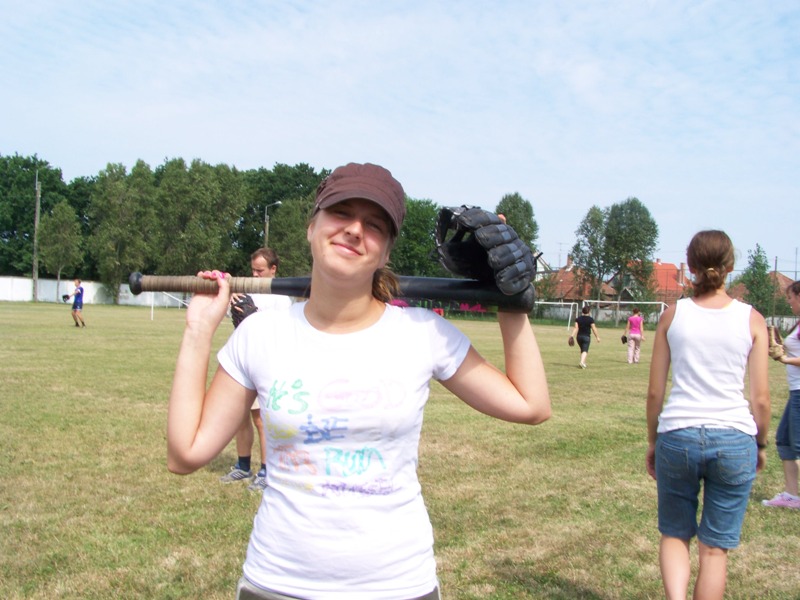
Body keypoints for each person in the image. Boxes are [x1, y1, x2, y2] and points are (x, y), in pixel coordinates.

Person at [166, 162, 551, 599]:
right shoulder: (260, 334)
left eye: (374, 225)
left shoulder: (422, 332)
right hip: (277, 584)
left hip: (398, 586)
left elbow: (531, 405)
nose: (353, 230)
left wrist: (511, 300)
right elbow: (185, 454)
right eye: (340, 213)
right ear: (311, 227)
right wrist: (198, 330)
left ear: (385, 253)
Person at [646, 230, 770, 600]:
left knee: (675, 534)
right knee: (714, 551)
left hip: (677, 435)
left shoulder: (672, 316)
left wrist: (653, 441)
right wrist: (760, 444)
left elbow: (655, 393)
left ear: (690, 266)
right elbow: (761, 398)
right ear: (730, 267)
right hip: (734, 438)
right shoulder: (752, 319)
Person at [220, 247, 293, 493]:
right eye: (253, 270)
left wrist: (256, 316)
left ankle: (266, 471)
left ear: (273, 269)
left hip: (267, 362)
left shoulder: (281, 298)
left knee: (261, 420)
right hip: (244, 359)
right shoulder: (249, 290)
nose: (255, 275)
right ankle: (243, 466)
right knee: (240, 416)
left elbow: (282, 333)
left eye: (260, 270)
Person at [762, 279, 800, 510]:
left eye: (790, 298)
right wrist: (781, 347)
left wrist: (784, 358)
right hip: (795, 391)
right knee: (785, 440)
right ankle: (792, 495)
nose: (789, 302)